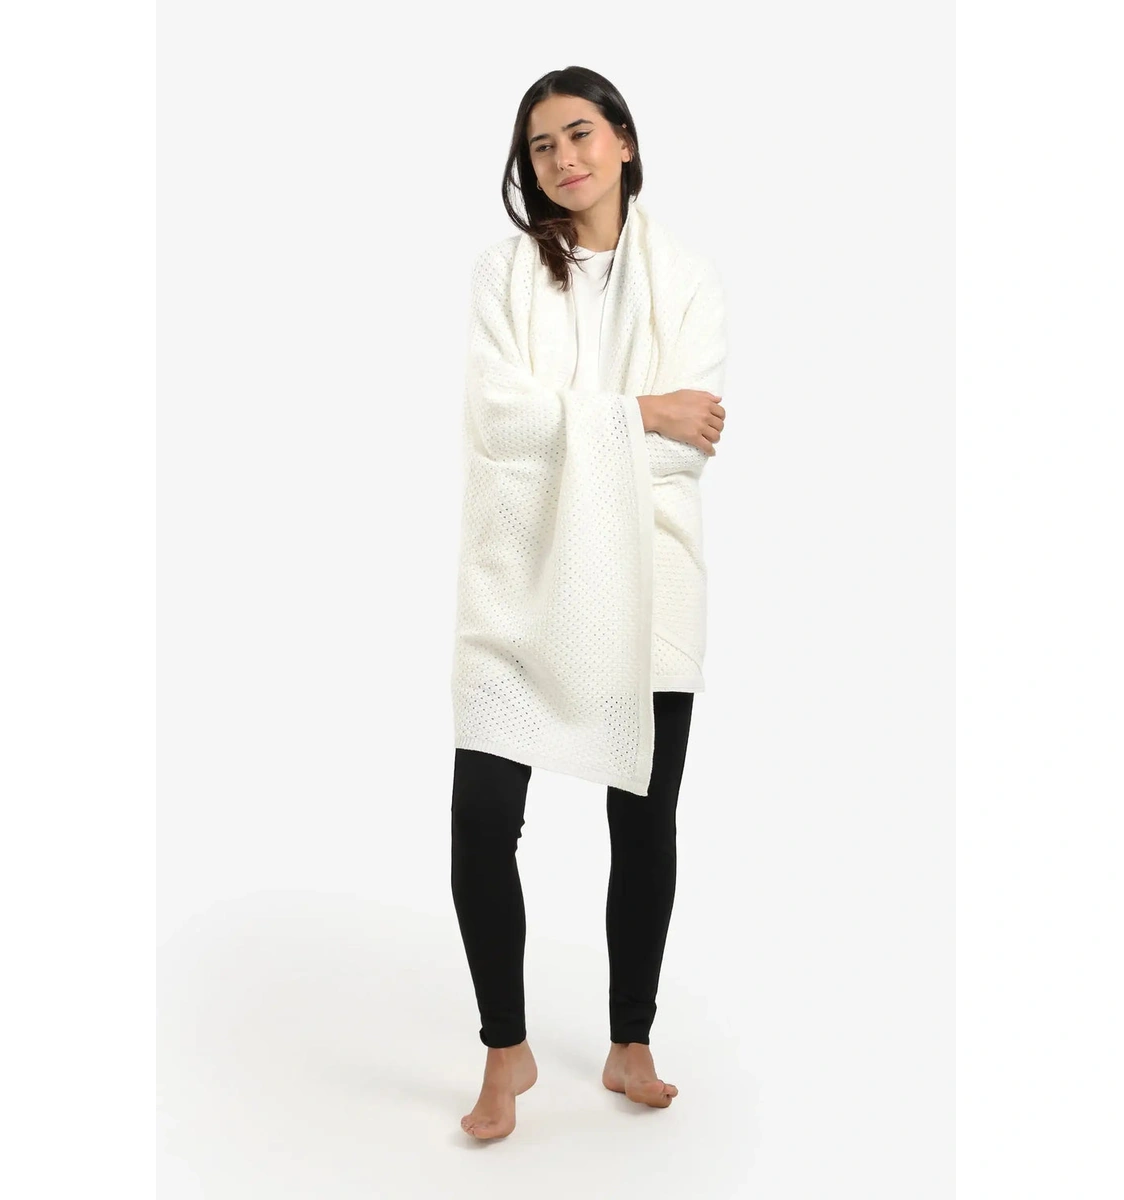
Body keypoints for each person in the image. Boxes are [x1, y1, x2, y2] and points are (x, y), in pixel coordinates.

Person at [450, 66, 726, 1141]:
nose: (562, 159)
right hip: (519, 583)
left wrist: (597, 425)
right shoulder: (505, 273)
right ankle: (505, 1051)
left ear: (622, 140)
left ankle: (630, 1043)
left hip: (654, 582)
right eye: (540, 146)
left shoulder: (687, 280)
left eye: (578, 134)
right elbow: (497, 423)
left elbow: (690, 447)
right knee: (483, 820)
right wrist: (639, 413)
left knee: (644, 820)